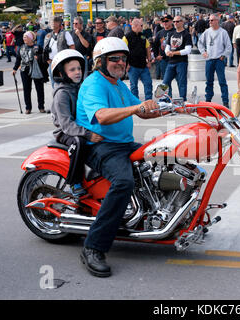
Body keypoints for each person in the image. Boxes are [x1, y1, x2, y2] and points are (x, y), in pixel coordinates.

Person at [75, 37, 160, 277]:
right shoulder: (94, 84)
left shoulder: (118, 85)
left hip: (123, 143)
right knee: (123, 182)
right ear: (100, 61)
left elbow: (142, 111)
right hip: (102, 146)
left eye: (123, 58)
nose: (120, 62)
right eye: (114, 59)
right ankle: (93, 247)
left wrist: (170, 107)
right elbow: (101, 116)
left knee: (161, 160)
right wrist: (136, 109)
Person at [50, 49, 103, 196]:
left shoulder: (79, 88)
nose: (77, 72)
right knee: (79, 142)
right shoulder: (62, 94)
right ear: (61, 73)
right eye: (72, 70)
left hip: (80, 126)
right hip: (65, 132)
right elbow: (66, 124)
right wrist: (88, 134)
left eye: (79, 68)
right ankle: (74, 182)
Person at [198, 14, 232, 107]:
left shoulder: (223, 32)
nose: (210, 22)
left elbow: (229, 46)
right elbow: (200, 43)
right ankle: (208, 100)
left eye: (212, 20)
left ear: (217, 21)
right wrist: (203, 52)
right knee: (209, 81)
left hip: (219, 60)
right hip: (209, 60)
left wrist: (224, 55)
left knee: (222, 81)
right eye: (209, 20)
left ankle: (225, 101)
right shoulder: (207, 32)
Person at [12, 32, 46, 114]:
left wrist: (38, 58)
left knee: (39, 89)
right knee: (26, 89)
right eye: (24, 37)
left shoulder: (38, 47)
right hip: (24, 70)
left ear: (31, 38)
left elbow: (44, 58)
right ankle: (28, 108)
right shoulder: (21, 47)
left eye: (26, 37)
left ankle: (41, 107)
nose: (24, 39)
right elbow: (18, 59)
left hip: (36, 70)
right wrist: (14, 69)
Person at [162, 15, 192, 101]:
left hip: (181, 62)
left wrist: (174, 53)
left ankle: (183, 100)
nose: (175, 23)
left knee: (182, 83)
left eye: (177, 21)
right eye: (174, 21)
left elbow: (188, 50)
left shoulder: (186, 34)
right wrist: (167, 52)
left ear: (182, 22)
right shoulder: (171, 33)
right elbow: (167, 46)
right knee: (165, 82)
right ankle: (165, 99)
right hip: (171, 62)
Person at [123, 18, 153, 100]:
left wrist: (149, 61)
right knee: (133, 86)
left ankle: (149, 101)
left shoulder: (143, 36)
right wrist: (126, 64)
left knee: (148, 83)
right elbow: (123, 51)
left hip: (143, 65)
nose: (142, 27)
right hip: (132, 66)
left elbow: (148, 48)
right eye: (141, 25)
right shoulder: (127, 37)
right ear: (135, 25)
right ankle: (135, 103)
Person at [43, 16, 75, 88]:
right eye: (51, 22)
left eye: (54, 22)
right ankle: (56, 96)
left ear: (59, 23)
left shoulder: (65, 33)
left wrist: (68, 60)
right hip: (52, 63)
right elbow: (45, 49)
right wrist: (48, 59)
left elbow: (72, 47)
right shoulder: (48, 35)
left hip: (63, 62)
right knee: (53, 83)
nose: (52, 24)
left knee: (64, 82)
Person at [152, 15, 175, 80]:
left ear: (171, 21)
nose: (164, 23)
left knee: (178, 80)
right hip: (164, 59)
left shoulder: (175, 31)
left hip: (175, 59)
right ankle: (168, 90)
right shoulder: (159, 33)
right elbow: (155, 45)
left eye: (166, 21)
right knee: (165, 80)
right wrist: (156, 56)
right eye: (163, 21)